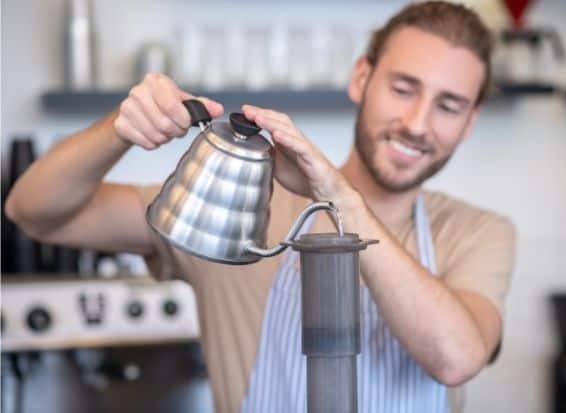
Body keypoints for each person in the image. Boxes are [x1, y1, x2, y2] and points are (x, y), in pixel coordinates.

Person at [5, 1, 516, 412]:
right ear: (362, 79)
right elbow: (34, 212)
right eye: (403, 88)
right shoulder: (239, 207)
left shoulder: (476, 232)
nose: (418, 123)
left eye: (448, 105)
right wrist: (120, 127)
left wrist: (336, 198)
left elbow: (455, 358)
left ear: (469, 122)